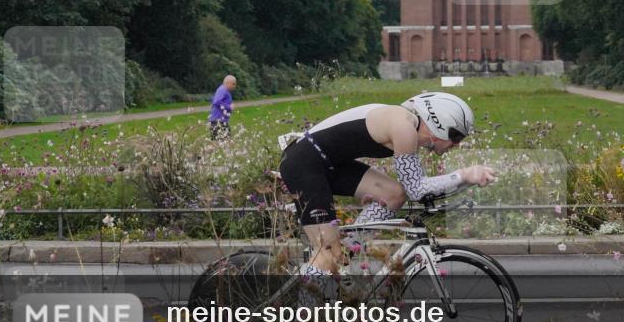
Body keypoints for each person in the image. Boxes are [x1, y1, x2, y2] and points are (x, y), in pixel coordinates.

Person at [278, 92, 496, 275]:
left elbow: (414, 190)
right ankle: (302, 312)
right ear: (439, 124)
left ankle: (347, 247)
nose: (457, 145)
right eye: (456, 137)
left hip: (327, 163)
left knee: (394, 194)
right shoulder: (403, 127)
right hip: (304, 163)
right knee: (327, 254)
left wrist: (467, 182)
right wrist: (464, 175)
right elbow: (417, 189)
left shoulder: (408, 126)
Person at [209, 75, 236, 140]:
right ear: (228, 83)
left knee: (217, 142)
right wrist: (229, 107)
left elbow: (213, 100)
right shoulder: (223, 90)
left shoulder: (222, 89)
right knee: (226, 141)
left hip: (218, 121)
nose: (235, 86)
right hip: (219, 121)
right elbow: (216, 102)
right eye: (233, 84)